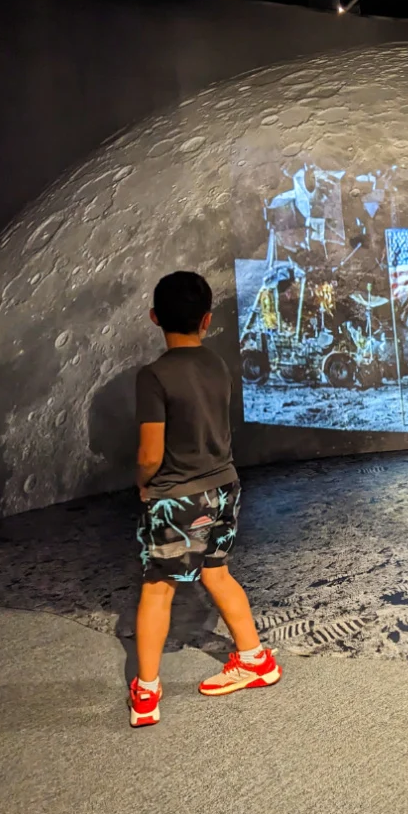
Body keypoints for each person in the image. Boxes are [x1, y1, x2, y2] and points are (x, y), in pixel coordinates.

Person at [130, 270, 281, 728]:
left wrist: (142, 481)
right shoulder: (218, 365)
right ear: (207, 320)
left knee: (158, 586)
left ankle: (147, 692)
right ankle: (255, 658)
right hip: (225, 488)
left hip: (178, 497)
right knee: (217, 572)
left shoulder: (153, 376)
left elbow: (151, 453)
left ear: (155, 317)